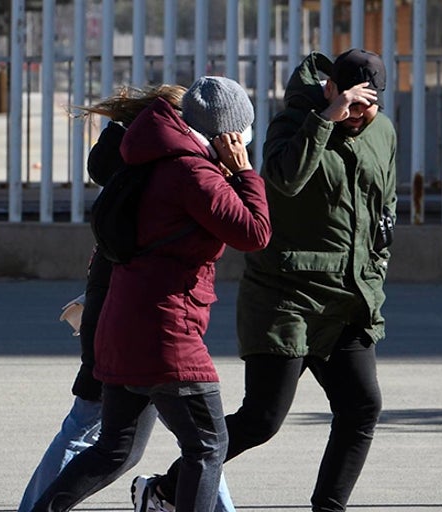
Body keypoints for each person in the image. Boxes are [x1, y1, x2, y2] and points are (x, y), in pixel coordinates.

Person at [141, 48, 396, 512]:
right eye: (352, 103)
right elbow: (285, 178)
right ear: (331, 89)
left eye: (370, 104)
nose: (360, 115)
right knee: (262, 419)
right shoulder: (294, 121)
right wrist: (325, 119)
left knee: (361, 407)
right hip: (286, 298)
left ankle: (329, 507)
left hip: (348, 300)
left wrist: (376, 267)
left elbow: (385, 208)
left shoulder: (383, 132)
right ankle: (161, 489)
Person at [30, 75, 271, 512]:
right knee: (208, 447)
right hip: (167, 333)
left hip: (124, 325)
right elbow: (254, 232)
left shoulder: (151, 158)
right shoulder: (192, 172)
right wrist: (244, 171)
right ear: (228, 134)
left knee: (115, 451)